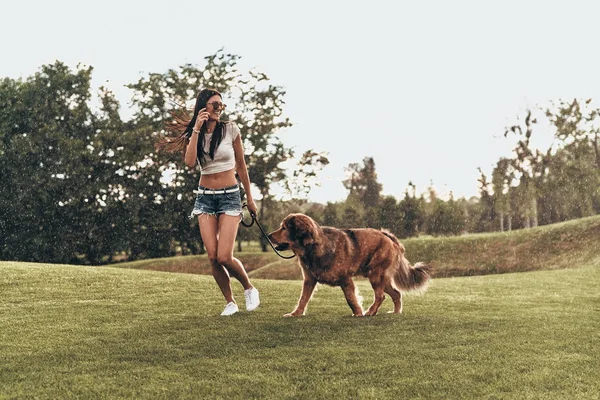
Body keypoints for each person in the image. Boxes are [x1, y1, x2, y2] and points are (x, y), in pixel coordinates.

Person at [158, 88, 260, 316]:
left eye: (221, 105)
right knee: (213, 257)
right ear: (204, 106)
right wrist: (195, 129)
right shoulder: (194, 133)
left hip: (230, 196)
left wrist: (250, 198)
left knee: (225, 255)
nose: (219, 109)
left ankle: (249, 288)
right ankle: (230, 302)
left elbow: (241, 165)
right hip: (205, 198)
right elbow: (190, 162)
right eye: (215, 105)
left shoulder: (230, 129)